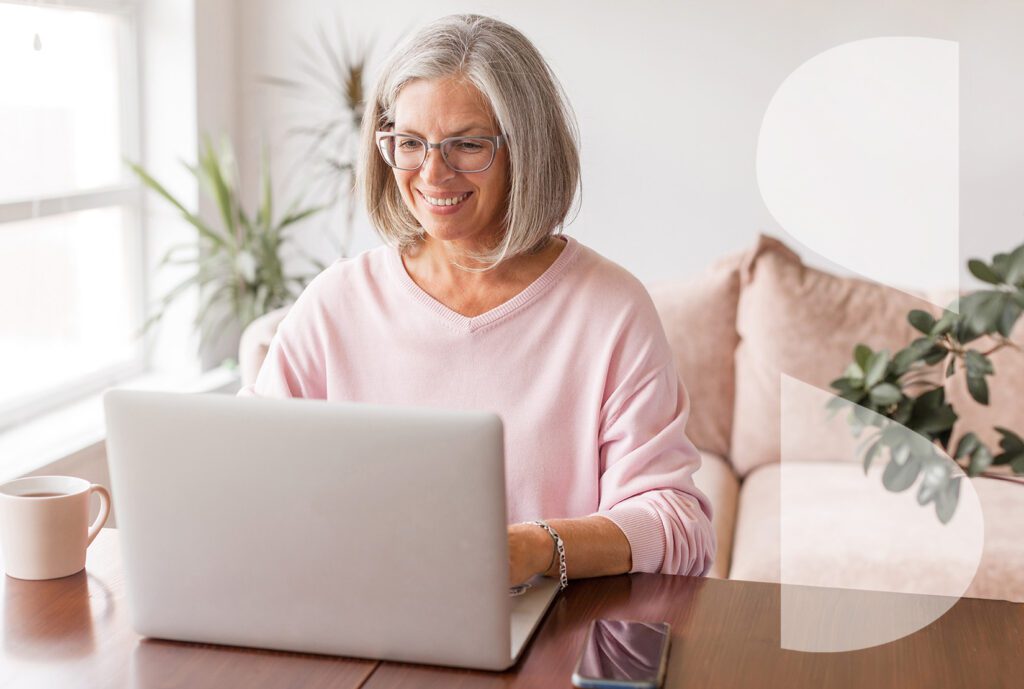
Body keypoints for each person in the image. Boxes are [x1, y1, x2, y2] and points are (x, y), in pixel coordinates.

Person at [239, 13, 715, 587]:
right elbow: (249, 475)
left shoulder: (610, 310)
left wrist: (537, 548)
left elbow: (677, 523)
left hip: (543, 632)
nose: (432, 173)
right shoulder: (336, 303)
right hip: (359, 614)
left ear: (527, 150)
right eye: (409, 143)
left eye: (467, 144)